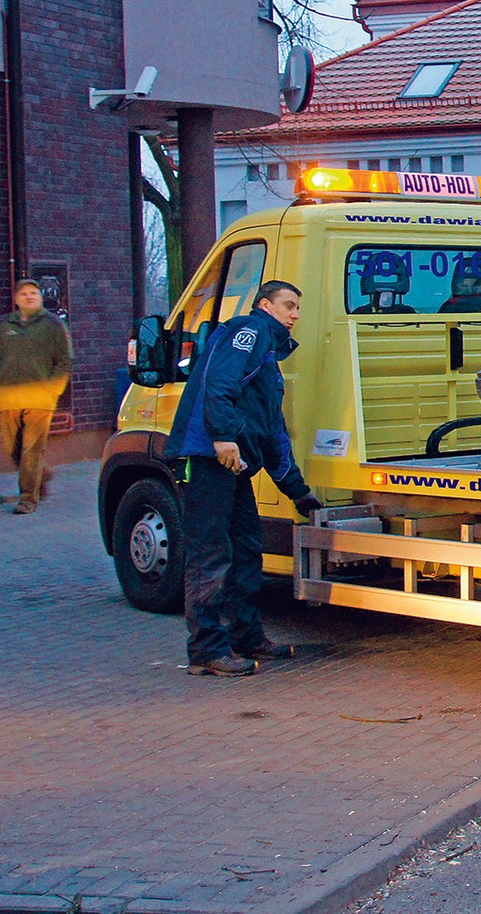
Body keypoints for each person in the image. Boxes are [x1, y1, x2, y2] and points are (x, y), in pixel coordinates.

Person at [165, 280, 322, 677]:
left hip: (232, 464)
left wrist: (298, 491)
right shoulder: (248, 331)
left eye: (297, 307)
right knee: (210, 554)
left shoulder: (268, 356)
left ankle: (246, 637)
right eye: (288, 305)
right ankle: (206, 651)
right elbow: (219, 383)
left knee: (247, 549)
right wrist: (222, 436)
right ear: (265, 305)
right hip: (208, 459)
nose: (295, 314)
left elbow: (271, 431)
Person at [0, 279, 73, 515]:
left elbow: (65, 360)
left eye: (34, 293)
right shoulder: (3, 326)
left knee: (31, 449)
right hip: (9, 397)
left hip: (40, 399)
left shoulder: (53, 325)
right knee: (12, 447)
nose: (29, 296)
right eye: (24, 293)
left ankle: (28, 498)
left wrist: (53, 390)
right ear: (16, 299)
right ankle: (42, 473)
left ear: (40, 297)